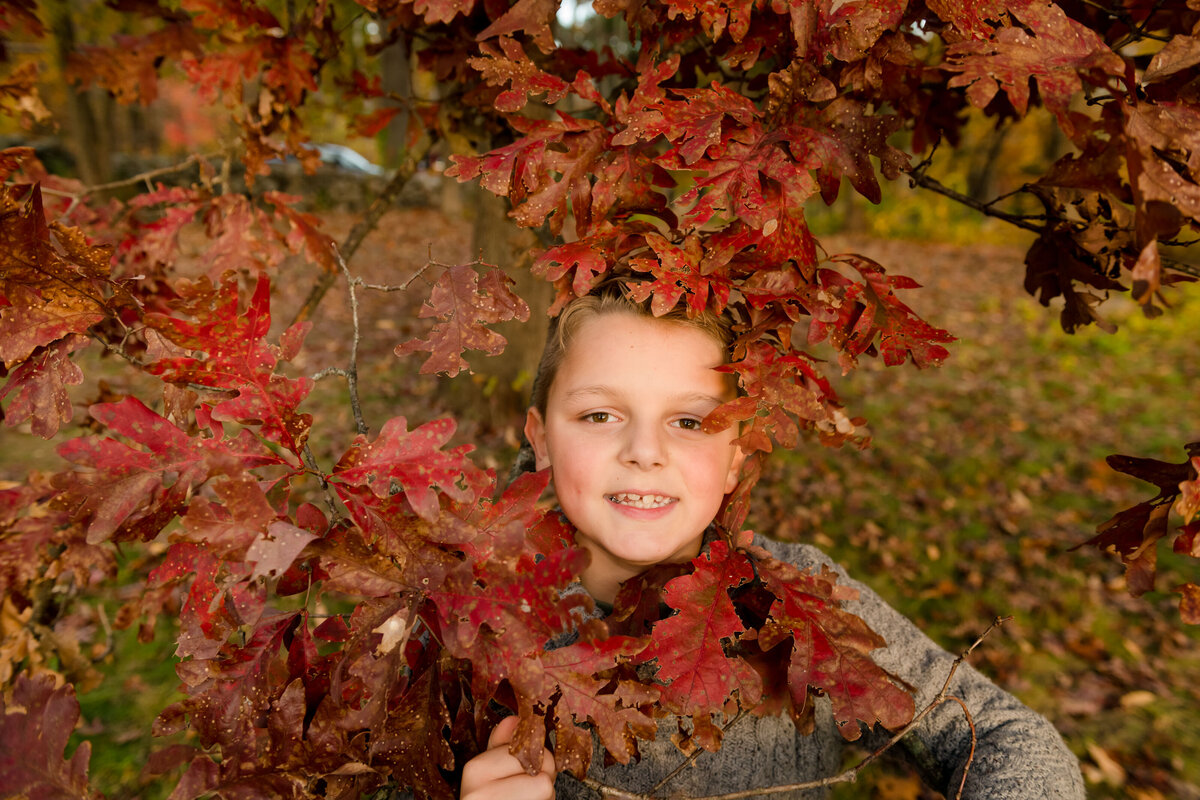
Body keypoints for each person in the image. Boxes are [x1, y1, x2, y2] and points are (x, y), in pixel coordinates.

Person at [460, 278, 1086, 800]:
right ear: (540, 438)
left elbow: (998, 732)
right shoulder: (466, 620)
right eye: (600, 415)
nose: (644, 452)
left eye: (689, 421)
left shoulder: (801, 598)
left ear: (736, 458)